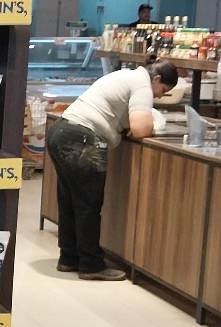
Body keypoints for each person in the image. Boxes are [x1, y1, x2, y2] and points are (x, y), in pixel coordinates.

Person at [46, 60, 179, 280]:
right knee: (88, 205)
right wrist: (149, 127)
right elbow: (141, 128)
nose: (159, 96)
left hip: (62, 131)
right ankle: (91, 265)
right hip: (83, 138)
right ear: (156, 79)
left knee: (70, 201)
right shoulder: (142, 85)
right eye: (163, 90)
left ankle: (69, 258)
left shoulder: (126, 75)